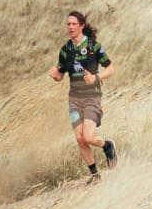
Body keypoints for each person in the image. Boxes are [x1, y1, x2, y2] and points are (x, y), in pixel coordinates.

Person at [48, 11, 118, 182]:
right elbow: (60, 76)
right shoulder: (66, 50)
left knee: (88, 137)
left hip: (91, 97)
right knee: (79, 138)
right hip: (74, 99)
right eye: (68, 24)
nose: (70, 27)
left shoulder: (94, 46)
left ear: (81, 26)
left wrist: (96, 77)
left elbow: (111, 69)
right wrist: (55, 75)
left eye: (73, 24)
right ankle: (95, 174)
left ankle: (107, 145)